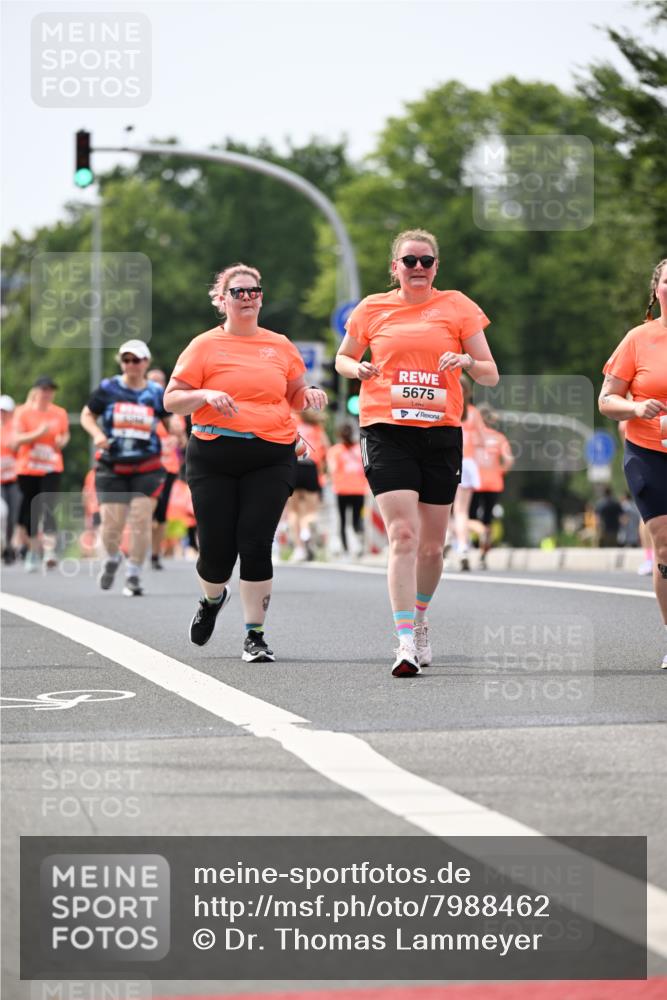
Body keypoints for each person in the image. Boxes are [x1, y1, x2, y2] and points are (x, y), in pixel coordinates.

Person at [336, 228, 499, 676]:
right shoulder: (372, 308)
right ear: (395, 268)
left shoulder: (458, 307)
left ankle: (421, 617)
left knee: (432, 547)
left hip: (440, 432)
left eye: (427, 261)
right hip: (386, 430)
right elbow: (342, 358)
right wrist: (359, 367)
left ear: (436, 267)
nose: (419, 269)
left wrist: (466, 362)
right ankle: (404, 640)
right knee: (403, 535)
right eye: (410, 261)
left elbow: (490, 375)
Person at [164, 263, 327, 663]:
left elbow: (292, 394)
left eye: (255, 291)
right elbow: (171, 399)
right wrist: (203, 395)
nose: (248, 298)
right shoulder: (203, 346)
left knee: (255, 542)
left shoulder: (281, 345)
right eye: (239, 292)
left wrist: (309, 394)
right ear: (222, 300)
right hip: (213, 454)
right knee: (217, 553)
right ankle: (211, 598)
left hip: (271, 453)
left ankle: (255, 635)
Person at [599, 257, 667, 669]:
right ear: (657, 289)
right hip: (649, 453)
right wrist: (637, 407)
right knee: (665, 542)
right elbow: (607, 400)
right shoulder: (638, 339)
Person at [80, 339, 170, 597]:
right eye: (126, 360)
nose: (131, 365)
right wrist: (97, 434)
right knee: (111, 525)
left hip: (147, 465)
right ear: (121, 362)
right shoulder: (108, 388)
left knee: (141, 520)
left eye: (136, 360)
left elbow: (169, 417)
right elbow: (87, 414)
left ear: (146, 362)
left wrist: (175, 427)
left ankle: (133, 574)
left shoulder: (154, 392)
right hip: (112, 465)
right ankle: (112, 558)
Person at [14, 377, 69, 572]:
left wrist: (62, 440)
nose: (47, 394)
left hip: (51, 466)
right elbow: (16, 439)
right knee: (31, 510)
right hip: (28, 468)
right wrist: (37, 433)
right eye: (44, 389)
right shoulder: (23, 413)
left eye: (51, 390)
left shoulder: (59, 413)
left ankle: (49, 552)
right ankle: (32, 551)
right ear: (36, 390)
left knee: (47, 506)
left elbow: (64, 434)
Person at [147, 367, 188, 569]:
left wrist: (179, 437)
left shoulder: (173, 411)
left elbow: (184, 442)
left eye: (160, 381)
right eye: (152, 381)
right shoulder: (143, 407)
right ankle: (141, 550)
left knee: (161, 513)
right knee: (148, 508)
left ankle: (155, 555)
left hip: (169, 467)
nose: (156, 384)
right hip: (147, 465)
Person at [471, 403, 514, 568]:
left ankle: (466, 545)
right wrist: (500, 472)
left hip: (475, 483)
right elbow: (509, 459)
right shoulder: (499, 437)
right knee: (488, 518)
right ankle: (483, 554)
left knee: (468, 518)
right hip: (494, 483)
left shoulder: (472, 436)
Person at [286, 409, 330, 561]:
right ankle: (307, 529)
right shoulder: (316, 426)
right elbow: (326, 447)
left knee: (293, 511)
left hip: (293, 465)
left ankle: (299, 548)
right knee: (311, 511)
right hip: (311, 466)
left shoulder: (291, 420)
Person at [452, 376, 483, 571]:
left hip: (450, 459)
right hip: (469, 462)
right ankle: (462, 547)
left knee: (442, 508)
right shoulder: (474, 413)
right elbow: (480, 441)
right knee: (461, 510)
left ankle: (451, 541)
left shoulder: (449, 408)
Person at [326, 422, 367, 557]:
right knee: (357, 519)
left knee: (343, 520)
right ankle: (359, 544)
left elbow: (332, 470)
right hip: (359, 489)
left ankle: (346, 549)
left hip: (341, 489)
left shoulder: (335, 451)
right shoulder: (360, 449)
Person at [0, 395, 20, 564]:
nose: (2, 414)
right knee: (2, 511)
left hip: (13, 479)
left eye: (5, 412)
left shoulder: (16, 429)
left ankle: (8, 547)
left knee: (12, 515)